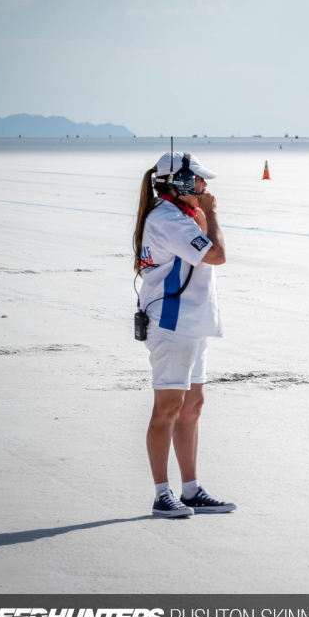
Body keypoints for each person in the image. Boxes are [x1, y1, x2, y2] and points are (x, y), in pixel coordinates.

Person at [133, 151, 236, 518]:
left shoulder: (180, 216)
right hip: (172, 324)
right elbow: (217, 255)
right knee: (168, 410)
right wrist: (213, 214)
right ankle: (162, 493)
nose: (206, 187)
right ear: (179, 183)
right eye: (200, 181)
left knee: (191, 407)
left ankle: (190, 489)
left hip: (191, 324)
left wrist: (202, 213)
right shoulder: (168, 221)